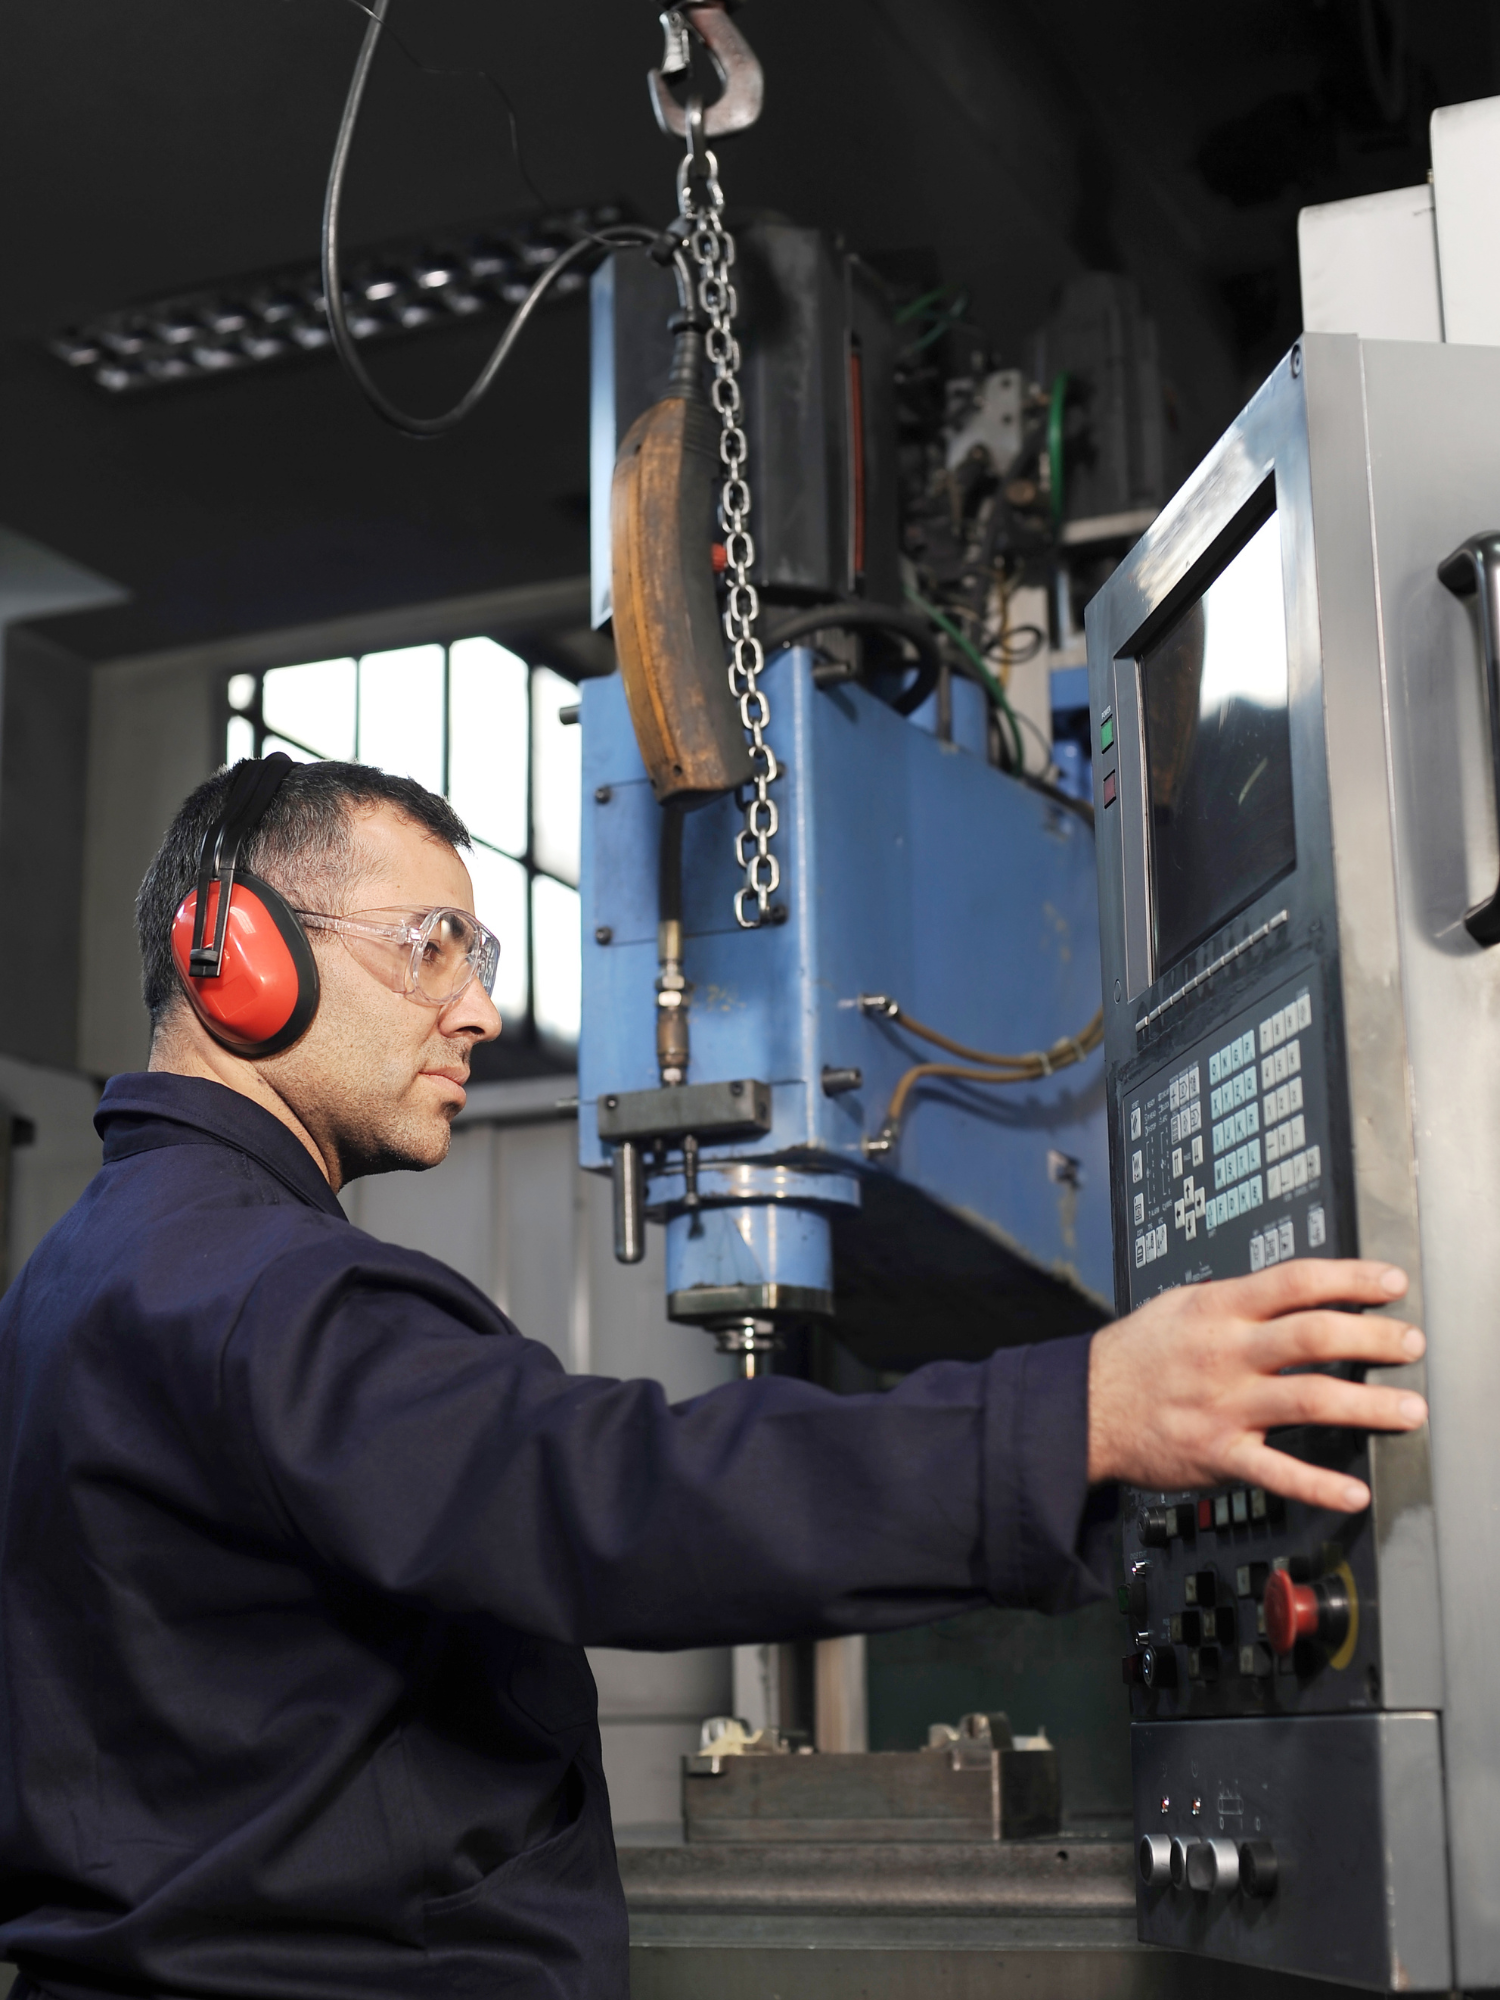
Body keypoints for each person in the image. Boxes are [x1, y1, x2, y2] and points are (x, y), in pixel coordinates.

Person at [0, 757, 1427, 2000]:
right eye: (431, 947)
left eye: (482, 956)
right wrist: (1079, 1419)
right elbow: (616, 1499)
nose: (480, 1011)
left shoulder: (83, 1272)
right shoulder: (262, 1292)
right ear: (232, 955)